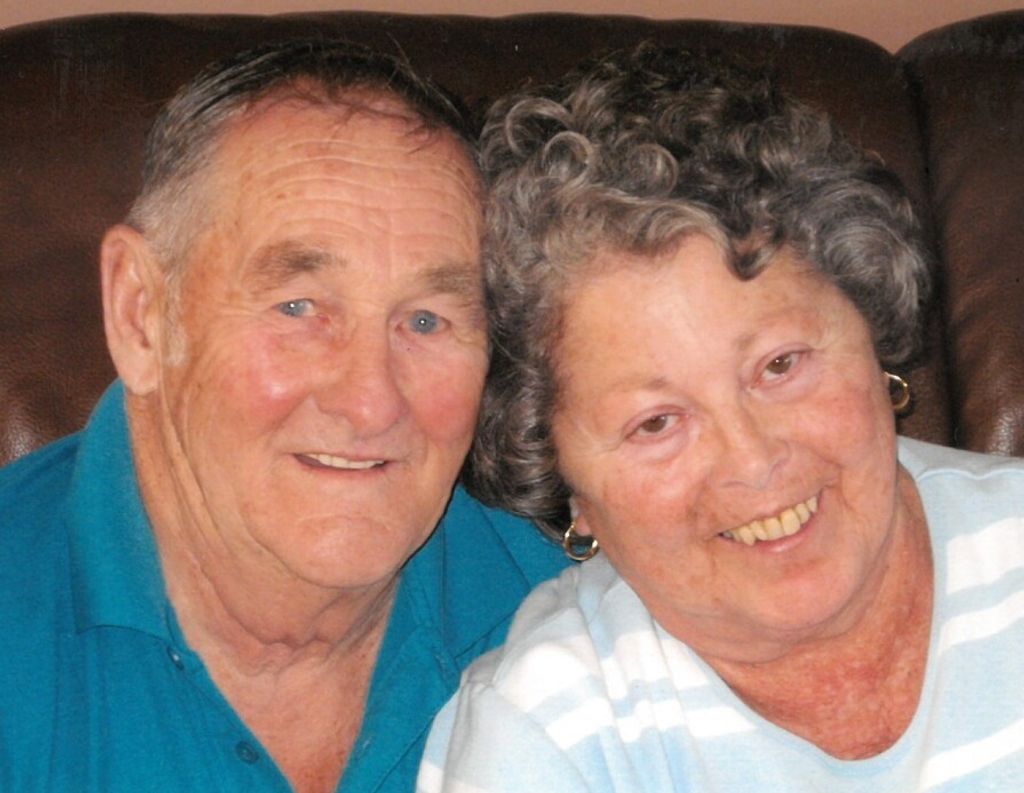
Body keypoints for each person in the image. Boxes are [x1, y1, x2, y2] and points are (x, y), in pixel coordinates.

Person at [418, 45, 1024, 792]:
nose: (754, 461)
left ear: (871, 333)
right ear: (561, 477)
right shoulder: (547, 732)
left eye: (780, 365)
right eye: (656, 422)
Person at [0, 39, 567, 793]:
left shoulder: (581, 611)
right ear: (141, 314)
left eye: (427, 320)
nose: (371, 402)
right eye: (298, 308)